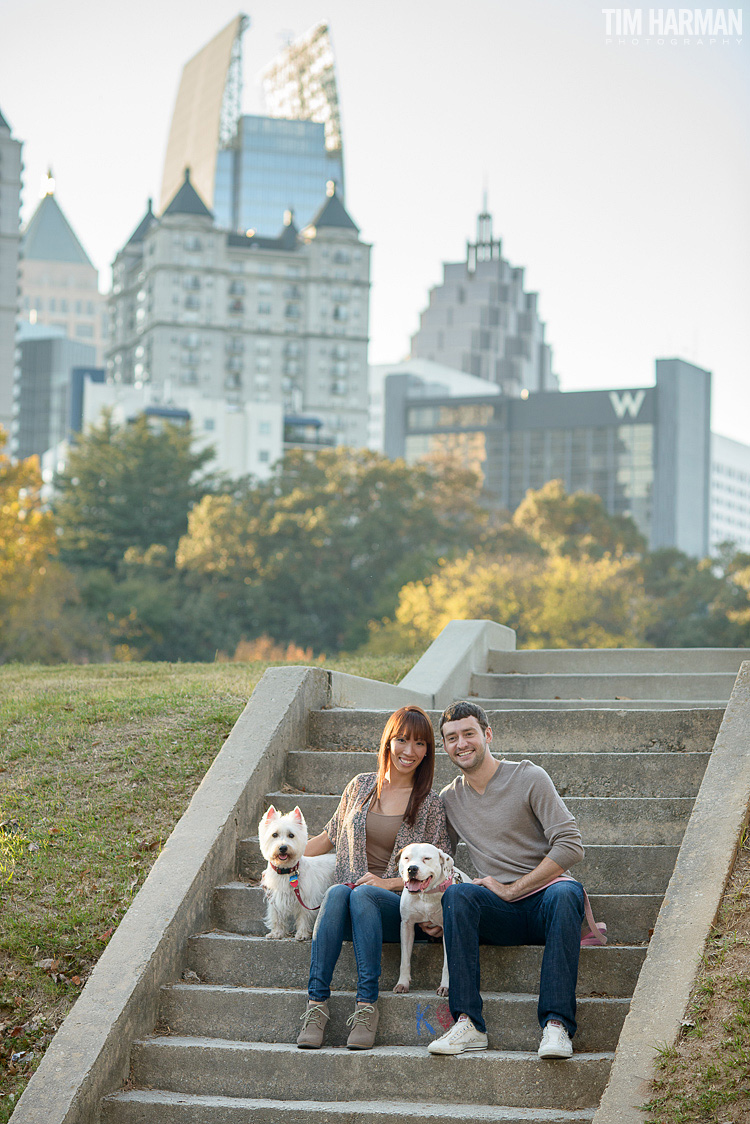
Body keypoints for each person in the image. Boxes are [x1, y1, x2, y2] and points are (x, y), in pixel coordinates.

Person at [427, 700, 585, 1060]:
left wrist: (513, 888)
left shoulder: (529, 777)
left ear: (488, 735)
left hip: (547, 903)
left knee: (567, 892)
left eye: (469, 734)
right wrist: (434, 912)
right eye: (452, 738)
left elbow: (571, 846)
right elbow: (437, 862)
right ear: (445, 746)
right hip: (499, 913)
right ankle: (469, 1024)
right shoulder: (450, 799)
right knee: (457, 897)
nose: (461, 744)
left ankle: (557, 1026)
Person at [297, 704, 450, 1050]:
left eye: (420, 744)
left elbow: (439, 873)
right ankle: (315, 1006)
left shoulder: (430, 804)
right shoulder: (360, 786)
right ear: (388, 742)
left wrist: (386, 883)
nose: (410, 751)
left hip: (396, 905)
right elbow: (327, 838)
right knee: (340, 893)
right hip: (346, 905)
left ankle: (366, 1007)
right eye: (402, 740)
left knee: (361, 894)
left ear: (428, 751)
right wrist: (284, 851)